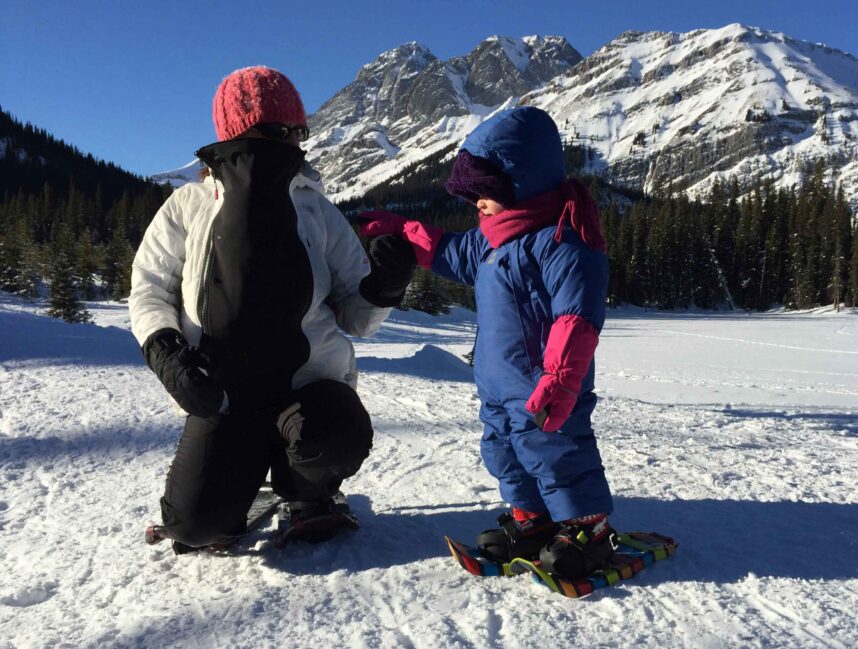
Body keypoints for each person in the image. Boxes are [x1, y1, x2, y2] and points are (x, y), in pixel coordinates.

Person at [129, 66, 415, 552]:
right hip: (222, 393)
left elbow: (356, 317)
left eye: (298, 132)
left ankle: (308, 491)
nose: (292, 143)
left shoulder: (317, 210)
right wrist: (165, 350)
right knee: (193, 526)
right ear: (236, 132)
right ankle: (231, 485)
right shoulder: (188, 206)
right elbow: (149, 288)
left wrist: (383, 288)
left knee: (336, 435)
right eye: (277, 130)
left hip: (307, 390)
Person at [360, 106, 616, 579]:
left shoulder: (563, 240)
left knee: (556, 449)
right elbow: (446, 251)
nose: (477, 202)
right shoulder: (492, 241)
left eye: (486, 191)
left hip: (546, 385)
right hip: (498, 383)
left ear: (520, 185)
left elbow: (576, 318)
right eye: (473, 192)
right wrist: (401, 231)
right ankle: (533, 520)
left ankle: (588, 530)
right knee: (501, 447)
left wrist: (560, 381)